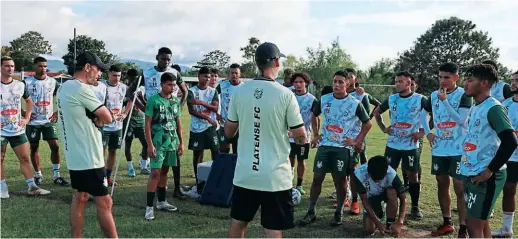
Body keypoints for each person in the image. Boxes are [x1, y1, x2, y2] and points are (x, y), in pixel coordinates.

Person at [225, 42, 306, 238]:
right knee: (273, 229)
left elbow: (229, 132)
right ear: (277, 62)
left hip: (246, 173)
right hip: (275, 178)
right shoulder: (286, 95)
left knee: (238, 224)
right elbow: (301, 135)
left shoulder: (239, 92)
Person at [299, 70, 372, 226]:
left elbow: (368, 123)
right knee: (317, 178)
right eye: (335, 82)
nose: (337, 85)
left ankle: (338, 212)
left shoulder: (354, 103)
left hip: (342, 148)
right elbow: (314, 115)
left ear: (347, 83)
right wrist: (316, 134)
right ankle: (311, 211)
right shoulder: (324, 99)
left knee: (340, 181)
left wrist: (357, 141)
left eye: (340, 82)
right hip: (325, 146)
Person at [56, 52, 117, 237]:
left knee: (80, 196)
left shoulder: (63, 87)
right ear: (88, 67)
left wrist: (95, 118)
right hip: (89, 155)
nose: (100, 74)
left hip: (74, 154)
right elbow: (107, 117)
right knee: (105, 202)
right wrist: (100, 119)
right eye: (98, 70)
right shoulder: (80, 88)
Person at [460, 64, 518, 238]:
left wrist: (489, 171)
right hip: (472, 171)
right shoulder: (476, 106)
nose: (465, 83)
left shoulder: (494, 108)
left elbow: (510, 141)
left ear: (484, 83)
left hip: (486, 176)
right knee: (482, 222)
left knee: (473, 226)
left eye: (470, 80)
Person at [420, 63, 471, 237]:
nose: (442, 81)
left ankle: (463, 227)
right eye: (440, 77)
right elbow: (423, 114)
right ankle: (447, 222)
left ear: (456, 77)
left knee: (459, 186)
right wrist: (428, 133)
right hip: (439, 149)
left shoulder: (464, 94)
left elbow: (462, 120)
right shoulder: (434, 95)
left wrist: (445, 102)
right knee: (442, 184)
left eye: (446, 77)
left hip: (458, 149)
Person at [373, 71, 427, 220]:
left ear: (408, 83)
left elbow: (435, 113)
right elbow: (377, 112)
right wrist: (384, 128)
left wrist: (423, 132)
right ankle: (383, 204)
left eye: (400, 81)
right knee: (386, 173)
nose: (397, 84)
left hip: (410, 145)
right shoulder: (392, 99)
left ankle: (415, 207)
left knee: (412, 175)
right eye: (396, 81)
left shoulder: (420, 99)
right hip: (393, 144)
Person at [0, 56, 51, 198]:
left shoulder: (20, 85)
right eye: (6, 66)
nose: (10, 68)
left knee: (24, 158)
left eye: (11, 66)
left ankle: (32, 187)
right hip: (1, 130)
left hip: (17, 128)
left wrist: (27, 118)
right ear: (0, 68)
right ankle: (2, 188)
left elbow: (29, 102)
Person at [144, 72, 184, 220]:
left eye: (174, 85)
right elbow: (147, 124)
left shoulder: (175, 101)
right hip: (158, 142)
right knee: (155, 172)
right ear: (162, 84)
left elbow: (178, 122)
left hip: (171, 141)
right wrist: (149, 144)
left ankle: (161, 201)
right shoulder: (153, 100)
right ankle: (149, 206)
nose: (172, 87)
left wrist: (181, 142)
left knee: (165, 172)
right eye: (169, 84)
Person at [24, 56, 69, 186]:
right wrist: (24, 113)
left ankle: (57, 176)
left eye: (45, 66)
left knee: (55, 146)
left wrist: (57, 112)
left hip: (48, 120)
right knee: (34, 147)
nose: (43, 69)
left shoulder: (53, 82)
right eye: (40, 66)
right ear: (34, 66)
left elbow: (64, 96)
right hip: (33, 122)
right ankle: (38, 175)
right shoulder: (26, 83)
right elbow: (15, 99)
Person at [492, 70, 518, 238]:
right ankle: (507, 229)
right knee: (508, 190)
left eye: (517, 80)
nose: (513, 83)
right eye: (513, 80)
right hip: (510, 156)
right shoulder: (506, 104)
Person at [355, 155, 407, 237]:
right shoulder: (359, 175)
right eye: (374, 179)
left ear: (386, 172)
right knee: (370, 229)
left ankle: (390, 224)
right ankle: (381, 214)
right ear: (368, 172)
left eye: (380, 179)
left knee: (392, 192)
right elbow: (364, 200)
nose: (377, 182)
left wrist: (400, 222)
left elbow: (403, 199)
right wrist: (378, 223)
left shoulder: (392, 174)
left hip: (385, 195)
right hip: (370, 199)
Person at [187, 67, 219, 191]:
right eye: (205, 76)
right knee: (198, 154)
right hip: (196, 128)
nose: (207, 79)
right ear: (198, 76)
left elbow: (215, 108)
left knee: (216, 153)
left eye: (209, 77)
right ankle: (199, 182)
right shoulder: (192, 91)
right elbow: (191, 111)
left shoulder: (213, 91)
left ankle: (216, 180)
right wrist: (208, 116)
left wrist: (201, 102)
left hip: (210, 127)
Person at [288, 72, 316, 196]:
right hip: (288, 135)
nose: (298, 84)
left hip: (303, 136)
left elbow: (316, 117)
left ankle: (299, 185)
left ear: (306, 83)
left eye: (301, 82)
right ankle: (287, 184)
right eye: (296, 82)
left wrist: (316, 134)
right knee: (289, 159)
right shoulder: (289, 96)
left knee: (301, 160)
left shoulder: (312, 99)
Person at [102, 65, 130, 185]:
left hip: (117, 126)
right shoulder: (102, 86)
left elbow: (131, 99)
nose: (117, 78)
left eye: (119, 75)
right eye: (114, 75)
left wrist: (125, 113)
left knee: (113, 151)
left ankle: (108, 177)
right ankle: (100, 177)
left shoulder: (123, 87)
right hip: (103, 126)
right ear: (108, 74)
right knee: (100, 151)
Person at [123, 69, 150, 175]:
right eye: (131, 78)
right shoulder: (125, 89)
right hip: (129, 120)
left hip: (141, 120)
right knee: (128, 144)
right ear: (128, 78)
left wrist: (142, 98)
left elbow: (147, 104)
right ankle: (130, 167)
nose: (133, 81)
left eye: (135, 78)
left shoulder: (142, 88)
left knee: (146, 143)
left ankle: (143, 165)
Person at [216, 63, 243, 154]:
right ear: (229, 74)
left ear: (240, 74)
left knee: (237, 152)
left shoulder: (244, 87)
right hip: (224, 124)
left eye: (236, 73)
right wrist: (217, 113)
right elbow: (213, 98)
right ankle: (224, 168)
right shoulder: (222, 85)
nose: (234, 75)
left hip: (239, 126)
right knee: (223, 152)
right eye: (232, 73)